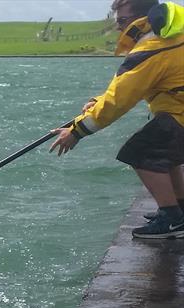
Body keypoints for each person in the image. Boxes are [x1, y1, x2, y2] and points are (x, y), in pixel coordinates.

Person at [50, 0, 184, 239]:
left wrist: (77, 131)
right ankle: (180, 209)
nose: (119, 28)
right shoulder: (172, 33)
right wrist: (98, 101)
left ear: (141, 18)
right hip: (177, 109)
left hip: (179, 112)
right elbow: (129, 87)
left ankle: (172, 218)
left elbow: (119, 100)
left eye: (122, 21)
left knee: (140, 152)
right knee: (165, 153)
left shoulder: (151, 47)